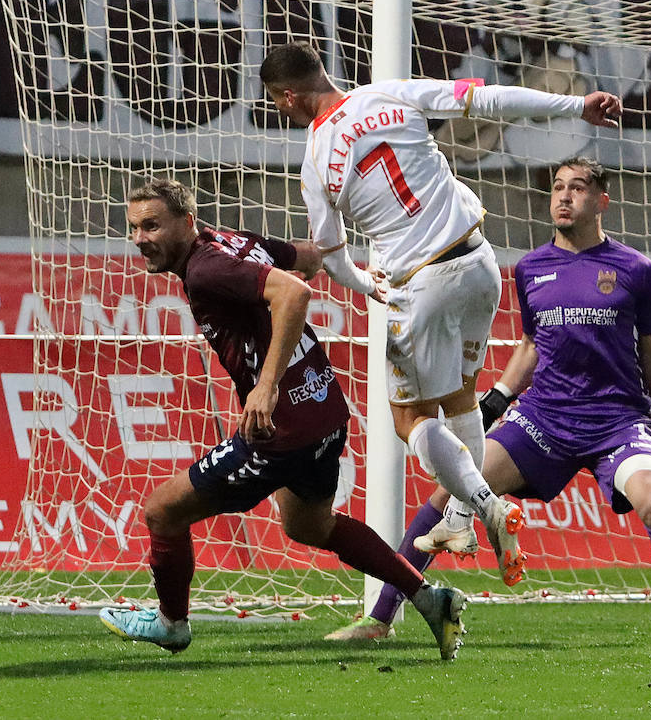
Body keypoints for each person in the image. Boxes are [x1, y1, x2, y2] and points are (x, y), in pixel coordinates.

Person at [260, 41, 624, 589]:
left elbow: (330, 253)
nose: (280, 110)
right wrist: (576, 108)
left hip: (421, 280)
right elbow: (487, 97)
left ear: (289, 95)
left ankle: (487, 507)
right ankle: (457, 522)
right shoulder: (389, 93)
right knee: (461, 398)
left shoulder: (316, 158)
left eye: (276, 101)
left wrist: (365, 285)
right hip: (480, 262)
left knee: (409, 420)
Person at [326, 158, 651, 648]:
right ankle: (379, 618)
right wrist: (498, 399)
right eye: (557, 188)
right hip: (544, 419)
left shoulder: (636, 270)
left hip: (617, 421)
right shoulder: (531, 268)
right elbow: (531, 345)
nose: (564, 197)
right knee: (452, 489)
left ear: (602, 202)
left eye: (577, 188)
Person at [99, 178, 468, 660]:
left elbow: (293, 292)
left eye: (152, 225)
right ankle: (429, 598)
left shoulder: (208, 268)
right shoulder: (230, 242)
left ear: (187, 223)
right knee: (310, 525)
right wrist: (339, 257)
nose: (141, 238)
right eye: (134, 228)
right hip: (324, 410)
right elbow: (308, 258)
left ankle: (171, 624)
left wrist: (266, 385)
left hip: (283, 428)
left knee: (162, 512)